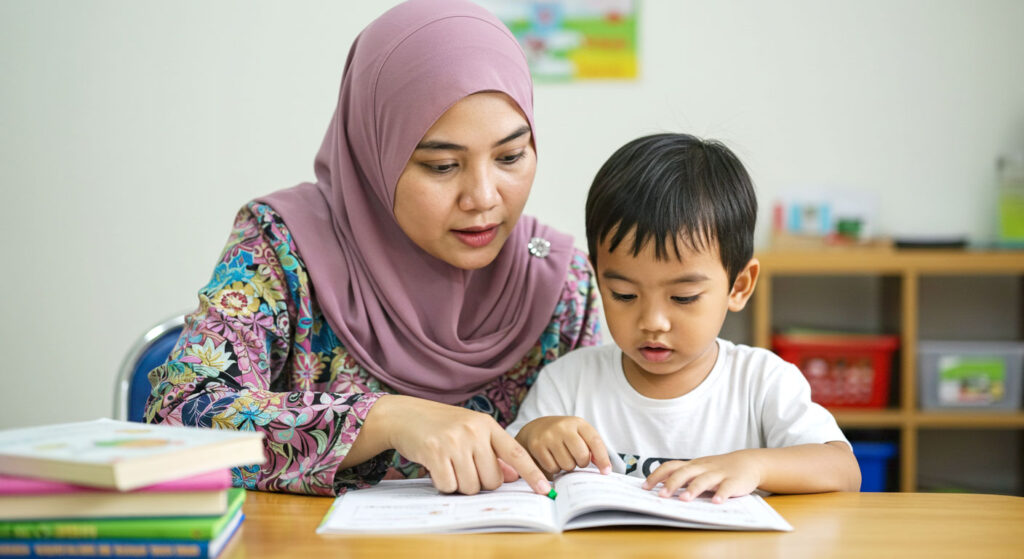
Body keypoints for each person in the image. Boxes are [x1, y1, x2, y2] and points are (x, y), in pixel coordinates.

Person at [144, 0, 602, 497]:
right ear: (373, 152)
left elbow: (624, 440)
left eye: (511, 156)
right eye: (443, 166)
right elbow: (179, 419)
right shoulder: (281, 250)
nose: (485, 198)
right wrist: (383, 419)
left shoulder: (559, 286)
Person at [507, 133, 861, 503]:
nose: (653, 321)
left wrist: (753, 465)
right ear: (598, 277)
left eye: (683, 297)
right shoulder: (568, 382)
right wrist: (533, 439)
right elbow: (511, 468)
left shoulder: (762, 382)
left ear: (739, 286)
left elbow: (844, 470)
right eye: (624, 295)